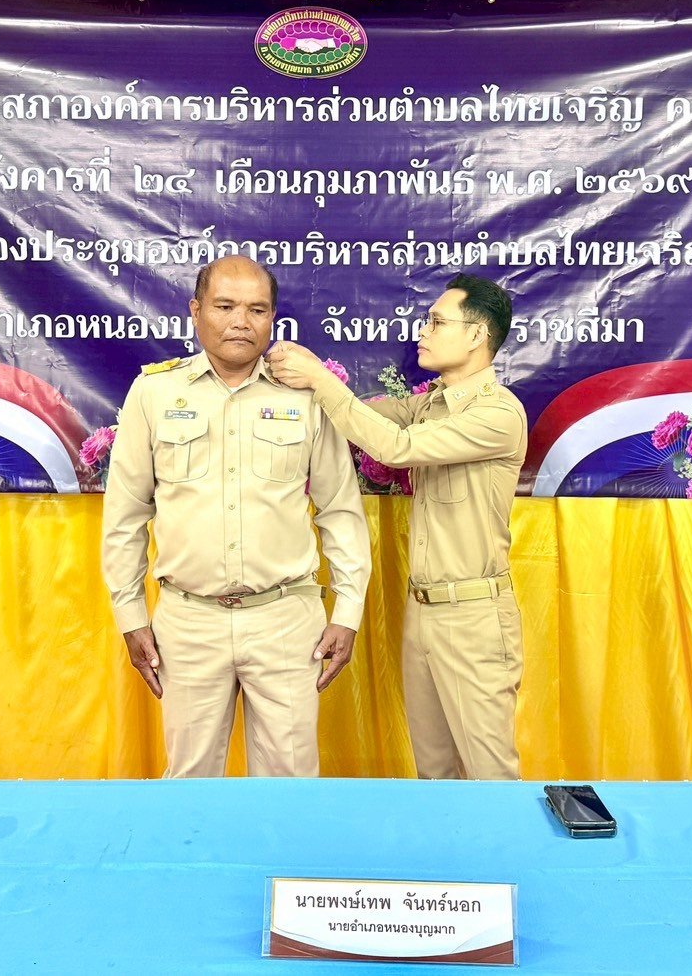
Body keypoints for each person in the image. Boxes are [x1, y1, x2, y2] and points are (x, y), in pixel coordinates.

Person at [101, 256, 370, 778]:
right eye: (224, 307)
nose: (241, 322)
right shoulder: (155, 393)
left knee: (289, 786)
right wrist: (130, 616)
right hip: (188, 622)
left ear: (273, 319)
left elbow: (340, 509)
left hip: (286, 620)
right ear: (196, 311)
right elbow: (125, 517)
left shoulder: (305, 394)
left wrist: (348, 611)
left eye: (257, 310)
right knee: (191, 784)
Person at [267, 273, 527, 780]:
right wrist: (301, 387)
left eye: (437, 322)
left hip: (474, 615)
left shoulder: (499, 414)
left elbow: (394, 447)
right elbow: (369, 417)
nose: (422, 332)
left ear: (476, 335)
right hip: (423, 609)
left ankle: (506, 839)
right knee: (434, 775)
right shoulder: (430, 404)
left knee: (491, 778)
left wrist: (320, 379)